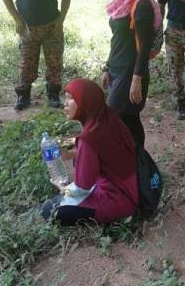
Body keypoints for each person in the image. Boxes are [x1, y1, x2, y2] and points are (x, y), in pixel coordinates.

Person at [41, 78, 139, 226]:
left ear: (85, 101)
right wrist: (71, 152)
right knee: (60, 200)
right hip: (132, 189)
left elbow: (81, 187)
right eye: (65, 98)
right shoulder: (109, 118)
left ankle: (117, 218)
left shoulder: (89, 138)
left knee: (50, 209)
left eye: (71, 98)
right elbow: (105, 151)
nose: (65, 104)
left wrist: (63, 188)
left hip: (116, 200)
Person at [1, 0, 70, 110]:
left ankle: (53, 95)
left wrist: (61, 20)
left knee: (54, 63)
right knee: (26, 63)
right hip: (27, 27)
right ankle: (23, 97)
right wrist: (17, 20)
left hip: (51, 27)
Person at [101, 0, 162, 147]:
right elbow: (117, 40)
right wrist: (106, 66)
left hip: (130, 72)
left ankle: (134, 161)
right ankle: (138, 163)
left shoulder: (141, 4)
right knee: (130, 119)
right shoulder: (121, 0)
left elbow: (144, 47)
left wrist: (137, 78)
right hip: (116, 68)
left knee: (111, 115)